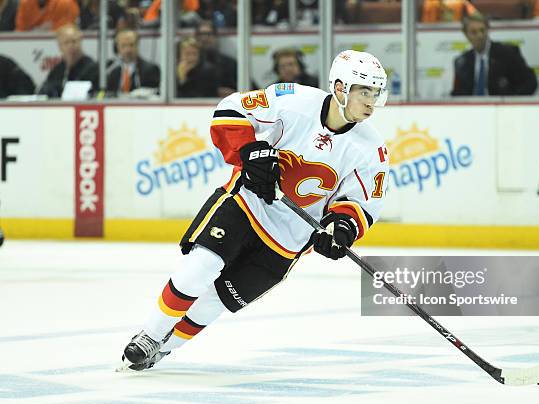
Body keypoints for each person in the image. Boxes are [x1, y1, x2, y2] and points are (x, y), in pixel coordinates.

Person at [120, 50, 390, 371]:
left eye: (376, 92)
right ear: (341, 88)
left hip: (288, 241)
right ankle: (150, 335)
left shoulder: (371, 148)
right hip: (247, 204)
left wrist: (341, 228)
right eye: (365, 92)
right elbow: (231, 109)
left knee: (217, 300)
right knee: (201, 267)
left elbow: (360, 202)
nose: (372, 101)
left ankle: (165, 348)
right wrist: (250, 150)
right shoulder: (293, 99)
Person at [451, 14, 538, 96]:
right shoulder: (462, 62)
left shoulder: (508, 54)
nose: (480, 36)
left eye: (482, 30)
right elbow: (458, 93)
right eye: (474, 32)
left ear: (488, 30)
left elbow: (530, 82)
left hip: (502, 108)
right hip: (472, 110)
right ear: (466, 34)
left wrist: (512, 103)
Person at [38, 24, 99, 98]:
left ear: (80, 41)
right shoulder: (57, 70)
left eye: (74, 41)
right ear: (60, 46)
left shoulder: (92, 69)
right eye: (66, 42)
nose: (70, 46)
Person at [106, 28, 160, 95]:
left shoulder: (150, 69)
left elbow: (155, 94)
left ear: (137, 45)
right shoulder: (112, 70)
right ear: (118, 48)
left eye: (131, 45)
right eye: (123, 46)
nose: (128, 50)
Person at [195, 19, 237, 97]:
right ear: (196, 37)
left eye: (208, 34)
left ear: (215, 37)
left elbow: (249, 89)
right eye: (201, 34)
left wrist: (234, 93)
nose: (204, 38)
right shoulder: (190, 65)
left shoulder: (229, 63)